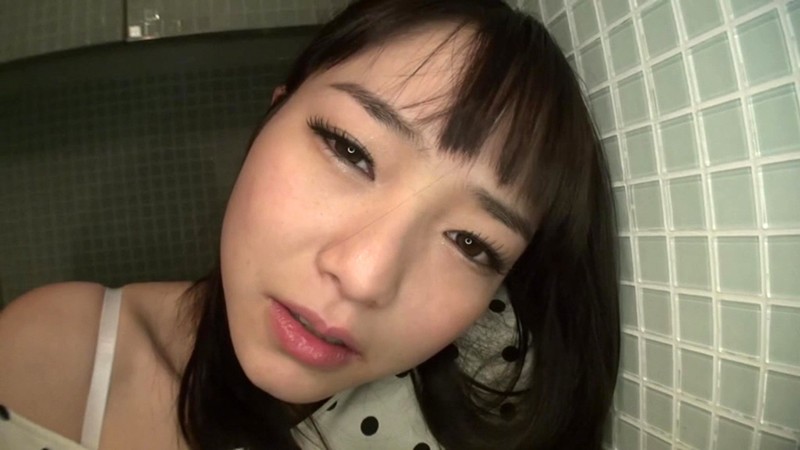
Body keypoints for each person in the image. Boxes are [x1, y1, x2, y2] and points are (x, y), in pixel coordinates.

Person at [0, 0, 620, 448]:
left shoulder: (494, 387)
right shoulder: (60, 354)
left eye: (470, 242)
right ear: (273, 115)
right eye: (351, 150)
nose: (365, 277)